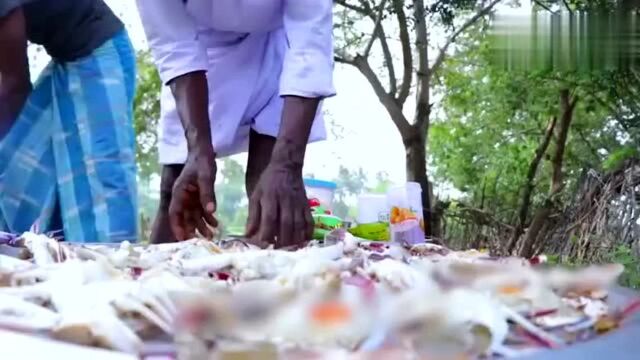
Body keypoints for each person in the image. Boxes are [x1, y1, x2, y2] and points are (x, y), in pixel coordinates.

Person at [136, 0, 335, 247]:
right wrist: (198, 149)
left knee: (273, 190)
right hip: (203, 41)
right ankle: (155, 279)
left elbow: (310, 44)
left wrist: (287, 163)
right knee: (177, 185)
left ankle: (274, 277)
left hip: (285, 35)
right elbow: (175, 47)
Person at [0, 0, 138, 243]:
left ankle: (116, 270)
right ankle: (41, 253)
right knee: (15, 165)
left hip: (100, 53)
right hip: (65, 63)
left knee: (102, 182)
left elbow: (15, 85)